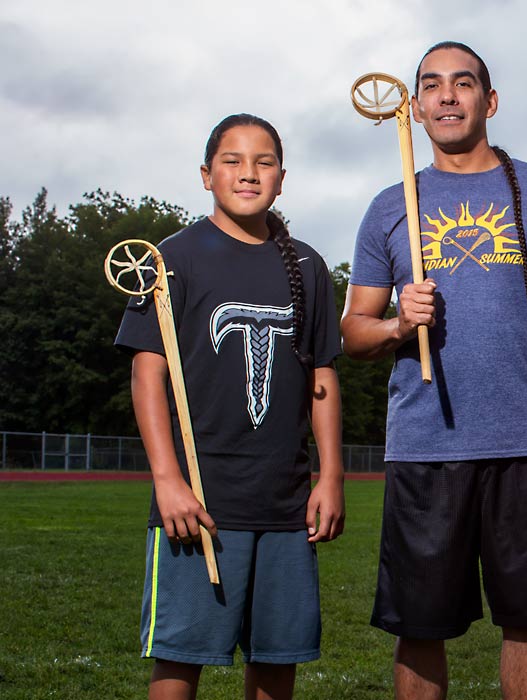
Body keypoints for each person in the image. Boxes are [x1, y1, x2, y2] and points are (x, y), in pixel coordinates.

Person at [340, 41, 527, 700]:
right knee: (420, 626)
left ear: (489, 101)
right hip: (426, 446)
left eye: (463, 84)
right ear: (415, 106)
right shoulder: (387, 205)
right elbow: (353, 331)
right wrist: (400, 324)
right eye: (432, 85)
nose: (447, 96)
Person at [115, 114, 345, 700]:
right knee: (180, 657)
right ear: (206, 174)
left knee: (276, 659)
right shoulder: (173, 259)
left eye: (264, 162)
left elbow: (322, 376)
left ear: (282, 178)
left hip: (286, 500)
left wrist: (332, 475)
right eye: (232, 161)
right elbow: (149, 372)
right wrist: (167, 479)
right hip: (199, 497)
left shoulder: (309, 267)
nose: (249, 173)